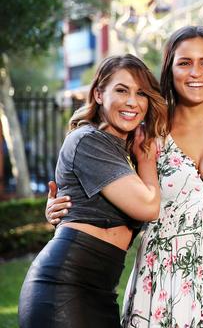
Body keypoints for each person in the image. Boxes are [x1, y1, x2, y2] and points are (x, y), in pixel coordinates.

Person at [46, 26, 203, 327]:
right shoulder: (145, 133)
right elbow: (96, 183)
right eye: (184, 62)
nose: (196, 72)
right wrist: (59, 208)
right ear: (170, 70)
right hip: (161, 276)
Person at [20, 54, 167, 327]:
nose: (132, 102)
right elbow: (147, 206)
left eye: (141, 93)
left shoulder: (121, 150)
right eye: (121, 90)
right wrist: (147, 156)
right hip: (64, 288)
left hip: (101, 292)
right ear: (99, 94)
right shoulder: (89, 140)